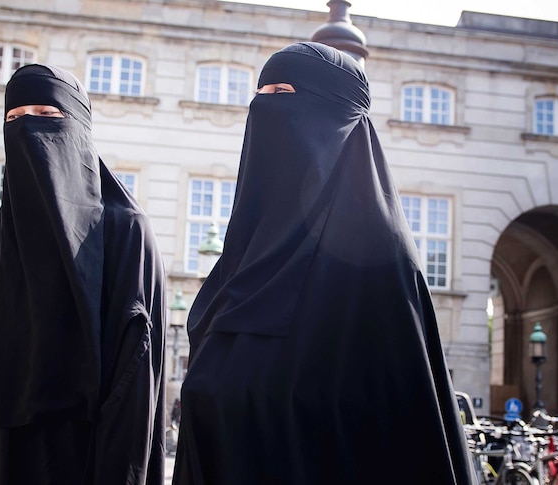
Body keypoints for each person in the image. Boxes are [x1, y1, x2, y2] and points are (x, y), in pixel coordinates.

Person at [173, 42, 474, 484]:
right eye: (264, 95)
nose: (268, 110)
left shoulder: (379, 265)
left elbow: (404, 436)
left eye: (286, 93)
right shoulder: (241, 264)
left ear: (337, 117)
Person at [0, 64, 167, 484]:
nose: (28, 131)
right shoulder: (7, 233)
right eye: (14, 119)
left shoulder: (124, 228)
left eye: (45, 115)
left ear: (78, 128)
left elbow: (136, 374)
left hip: (80, 457)